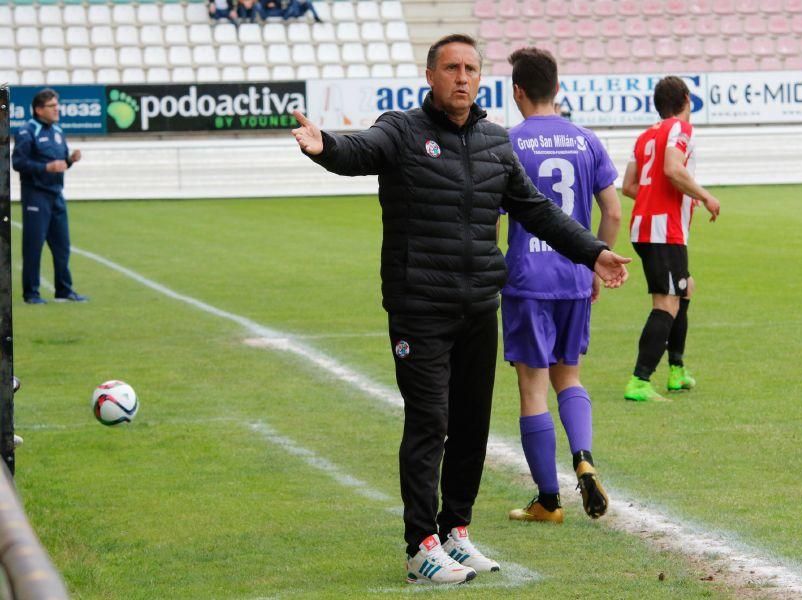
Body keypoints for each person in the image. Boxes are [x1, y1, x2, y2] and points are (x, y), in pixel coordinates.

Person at [290, 34, 630, 585]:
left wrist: (593, 252)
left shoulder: (497, 142)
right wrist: (324, 145)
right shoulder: (401, 130)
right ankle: (420, 545)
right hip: (419, 306)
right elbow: (361, 152)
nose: (463, 77)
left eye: (471, 68)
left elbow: (537, 212)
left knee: (472, 426)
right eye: (452, 68)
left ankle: (456, 532)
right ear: (431, 76)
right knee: (430, 422)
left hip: (478, 307)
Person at [501, 48, 621, 524]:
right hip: (573, 277)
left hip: (527, 281)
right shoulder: (586, 140)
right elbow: (612, 211)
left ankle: (549, 501)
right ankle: (584, 457)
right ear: (558, 88)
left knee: (533, 389)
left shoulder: (507, 142)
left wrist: (496, 269)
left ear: (517, 91)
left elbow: (491, 217)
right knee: (568, 376)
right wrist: (593, 265)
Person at [620, 76, 720, 402]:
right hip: (663, 231)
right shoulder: (680, 129)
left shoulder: (647, 134)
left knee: (685, 287)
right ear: (687, 100)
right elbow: (673, 170)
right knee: (665, 302)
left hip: (648, 226)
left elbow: (629, 185)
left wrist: (655, 201)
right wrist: (704, 196)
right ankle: (639, 380)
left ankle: (676, 370)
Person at [12, 89, 88, 305]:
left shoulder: (57, 130)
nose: (57, 109)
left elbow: (60, 163)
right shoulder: (27, 131)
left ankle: (64, 290)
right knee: (33, 246)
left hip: (56, 196)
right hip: (36, 196)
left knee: (62, 246)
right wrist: (46, 167)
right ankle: (31, 294)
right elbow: (18, 163)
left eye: (57, 105)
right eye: (52, 106)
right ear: (38, 110)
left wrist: (70, 160)